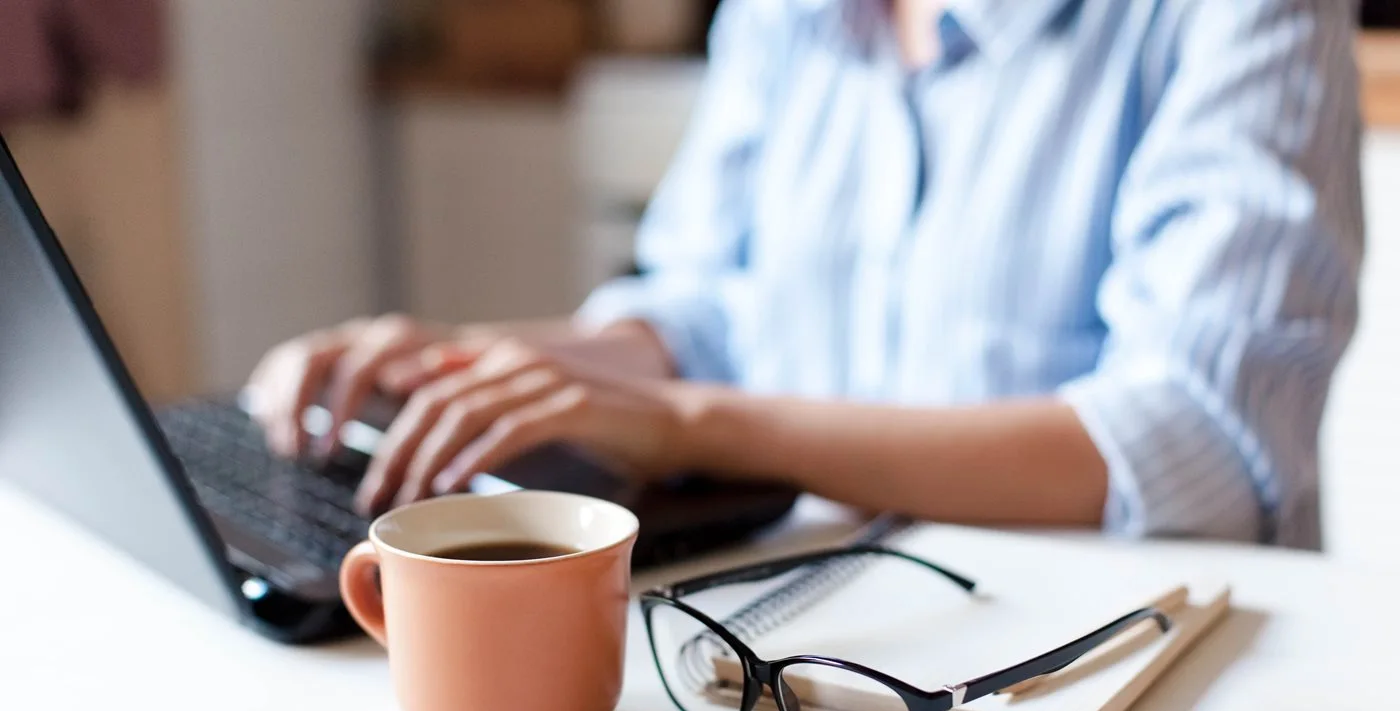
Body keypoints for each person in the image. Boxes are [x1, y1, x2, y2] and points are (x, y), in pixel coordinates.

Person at [247, 0, 1363, 548]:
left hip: (1113, 677)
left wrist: (699, 423)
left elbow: (1199, 442)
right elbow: (712, 306)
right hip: (814, 630)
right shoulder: (786, 11)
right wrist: (472, 363)